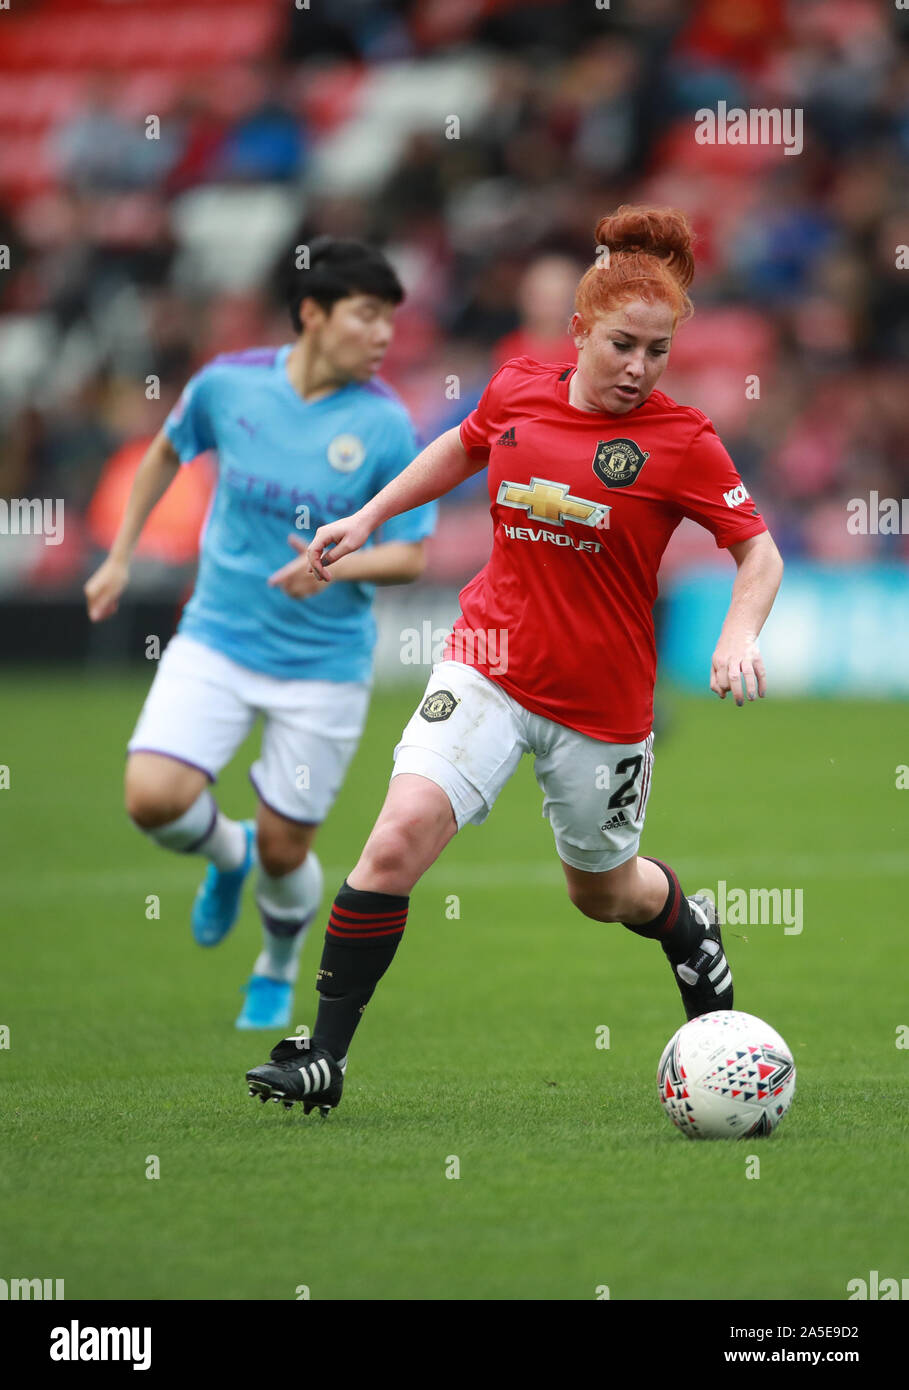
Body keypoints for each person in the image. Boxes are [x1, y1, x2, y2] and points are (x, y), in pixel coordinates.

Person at [244, 206, 783, 1114]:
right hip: (485, 662)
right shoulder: (517, 390)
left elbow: (757, 551)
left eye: (656, 352)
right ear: (579, 331)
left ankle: (688, 930)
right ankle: (322, 1057)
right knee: (395, 837)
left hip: (601, 707)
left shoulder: (681, 440)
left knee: (603, 893)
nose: (637, 369)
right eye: (621, 345)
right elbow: (458, 449)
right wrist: (368, 517)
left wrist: (737, 634)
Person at [84, 238, 436, 1030]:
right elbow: (165, 453)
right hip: (217, 636)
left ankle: (276, 963)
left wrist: (332, 568)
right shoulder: (228, 385)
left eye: (390, 321)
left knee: (288, 850)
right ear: (312, 314)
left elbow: (410, 554)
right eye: (368, 316)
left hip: (322, 665)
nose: (383, 336)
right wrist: (118, 557)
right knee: (151, 799)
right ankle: (226, 855)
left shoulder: (383, 425)